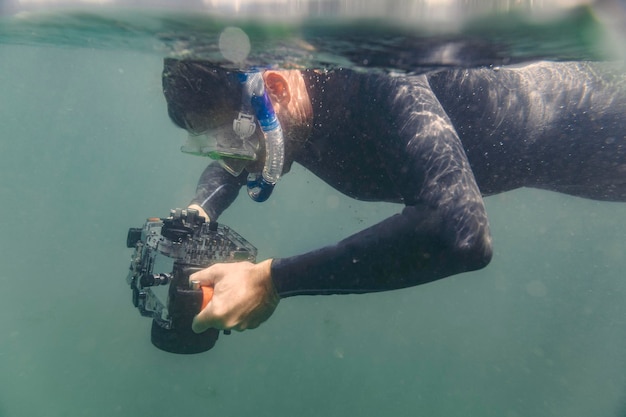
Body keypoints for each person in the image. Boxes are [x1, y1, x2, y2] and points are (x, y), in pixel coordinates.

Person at [161, 59, 626, 333]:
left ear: (276, 89)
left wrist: (271, 280)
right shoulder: (282, 120)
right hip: (589, 169)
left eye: (235, 138)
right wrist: (201, 210)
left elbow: (460, 231)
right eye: (217, 142)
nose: (236, 157)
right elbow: (230, 165)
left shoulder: (382, 80)